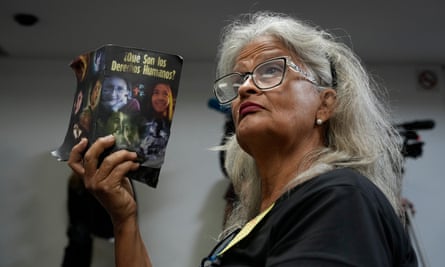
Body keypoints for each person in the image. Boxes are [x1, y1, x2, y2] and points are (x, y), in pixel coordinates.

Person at [68, 11, 418, 267]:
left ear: (324, 104)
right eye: (238, 81)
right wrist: (125, 219)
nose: (246, 86)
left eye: (270, 70)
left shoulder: (339, 197)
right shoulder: (260, 219)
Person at [139, 82, 174, 168]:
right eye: (156, 93)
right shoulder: (140, 122)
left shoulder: (175, 124)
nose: (160, 98)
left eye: (165, 94)